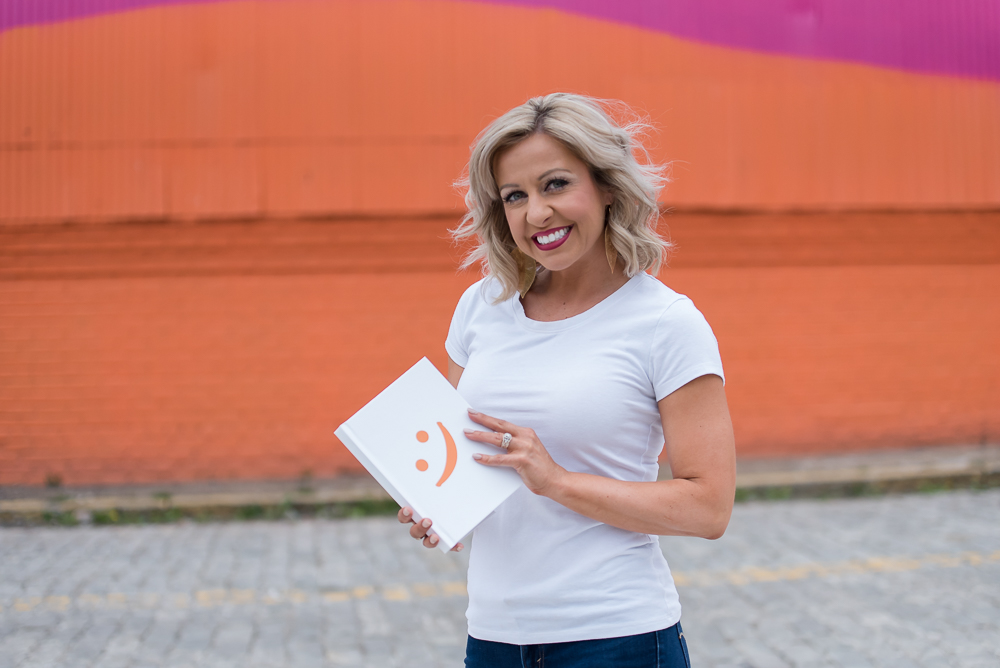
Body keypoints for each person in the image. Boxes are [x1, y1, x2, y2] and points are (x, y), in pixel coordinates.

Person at [397, 92, 736, 668]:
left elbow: (709, 508)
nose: (536, 214)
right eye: (514, 195)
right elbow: (463, 454)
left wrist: (555, 480)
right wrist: (439, 505)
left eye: (555, 184)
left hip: (617, 638)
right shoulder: (481, 307)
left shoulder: (666, 323)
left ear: (607, 187)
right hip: (494, 637)